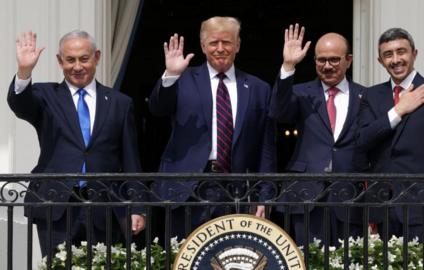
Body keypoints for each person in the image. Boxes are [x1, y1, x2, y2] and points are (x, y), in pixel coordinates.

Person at [7, 30, 145, 256]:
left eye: (84, 58)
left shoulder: (120, 103)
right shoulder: (45, 95)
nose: (77, 66)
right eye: (70, 60)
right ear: (60, 61)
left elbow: (131, 160)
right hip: (56, 206)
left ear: (97, 57)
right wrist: (24, 71)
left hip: (104, 207)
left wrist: (138, 206)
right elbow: (20, 104)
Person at [148, 16, 276, 240]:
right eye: (213, 42)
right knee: (185, 258)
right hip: (187, 190)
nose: (220, 49)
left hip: (236, 191)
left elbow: (265, 146)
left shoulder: (258, 88)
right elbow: (158, 109)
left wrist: (264, 196)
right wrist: (170, 76)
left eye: (226, 42)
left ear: (237, 45)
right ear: (203, 45)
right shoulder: (182, 78)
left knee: (233, 258)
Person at [355, 27, 424, 255]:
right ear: (380, 60)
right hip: (384, 206)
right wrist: (398, 110)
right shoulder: (371, 96)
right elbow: (362, 140)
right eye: (388, 54)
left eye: (401, 52)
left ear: (414, 53)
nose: (396, 60)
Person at [269, 24, 366, 246]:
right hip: (306, 193)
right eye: (321, 60)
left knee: (350, 260)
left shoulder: (365, 96)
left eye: (334, 59)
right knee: (309, 260)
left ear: (348, 60)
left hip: (350, 195)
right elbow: (277, 112)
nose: (327, 66)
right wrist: (288, 65)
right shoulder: (301, 93)